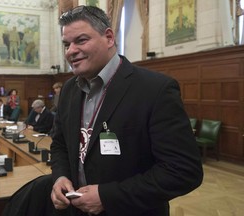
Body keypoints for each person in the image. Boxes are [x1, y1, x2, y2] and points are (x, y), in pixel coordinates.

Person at [50, 5, 203, 216]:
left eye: (81, 40)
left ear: (109, 37)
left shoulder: (155, 89)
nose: (70, 51)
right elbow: (59, 144)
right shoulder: (68, 89)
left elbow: (183, 171)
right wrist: (60, 176)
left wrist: (107, 197)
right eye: (66, 44)